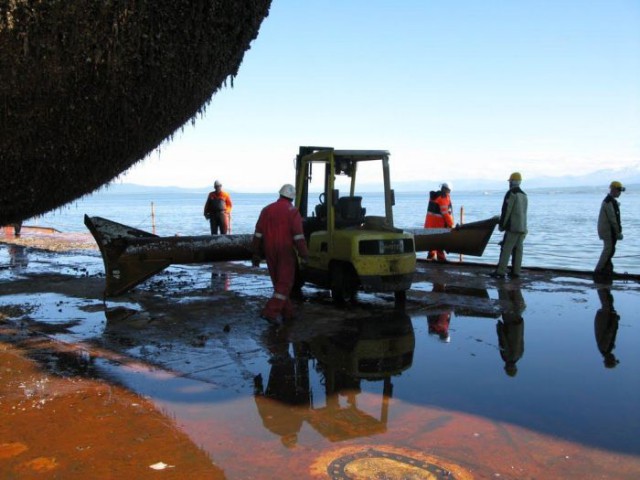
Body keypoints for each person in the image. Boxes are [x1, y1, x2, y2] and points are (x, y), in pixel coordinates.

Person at [251, 184, 309, 323]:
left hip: (269, 250)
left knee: (278, 283)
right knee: (285, 283)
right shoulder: (293, 212)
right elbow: (298, 237)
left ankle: (288, 313)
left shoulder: (266, 210)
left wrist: (255, 253)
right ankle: (270, 312)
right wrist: (304, 255)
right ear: (292, 198)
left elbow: (258, 234)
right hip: (286, 251)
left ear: (280, 194)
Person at [492, 172, 528, 278]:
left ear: (512, 182)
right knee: (518, 250)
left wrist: (502, 225)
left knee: (506, 249)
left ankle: (500, 272)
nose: (509, 183)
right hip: (522, 227)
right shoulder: (524, 195)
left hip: (512, 227)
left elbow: (506, 211)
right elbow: (524, 213)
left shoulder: (511, 194)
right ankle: (516, 272)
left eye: (510, 181)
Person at [594, 181, 625, 278]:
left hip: (609, 231)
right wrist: (618, 232)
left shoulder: (612, 201)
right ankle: (598, 271)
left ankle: (607, 270)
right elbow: (612, 220)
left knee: (611, 250)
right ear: (614, 190)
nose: (620, 193)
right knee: (608, 250)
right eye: (619, 190)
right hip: (608, 231)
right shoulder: (608, 202)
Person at [496, 285, 526, 377]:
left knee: (515, 297)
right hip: (509, 323)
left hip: (518, 321)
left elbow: (521, 338)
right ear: (507, 368)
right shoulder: (506, 357)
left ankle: (513, 282)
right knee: (503, 295)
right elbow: (503, 341)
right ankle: (501, 279)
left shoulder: (520, 355)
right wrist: (499, 328)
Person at [424, 182, 454, 262]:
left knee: (432, 242)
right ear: (446, 189)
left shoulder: (435, 196)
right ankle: (441, 259)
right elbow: (445, 213)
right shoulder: (443, 198)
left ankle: (431, 258)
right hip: (438, 225)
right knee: (440, 242)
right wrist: (451, 225)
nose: (448, 192)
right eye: (448, 190)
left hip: (429, 225)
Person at [594, 288, 620, 368]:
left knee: (607, 300)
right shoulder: (605, 349)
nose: (614, 357)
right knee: (608, 300)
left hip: (606, 318)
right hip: (605, 318)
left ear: (609, 360)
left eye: (613, 359)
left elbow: (609, 332)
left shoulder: (605, 349)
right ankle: (602, 284)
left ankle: (601, 283)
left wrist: (614, 320)